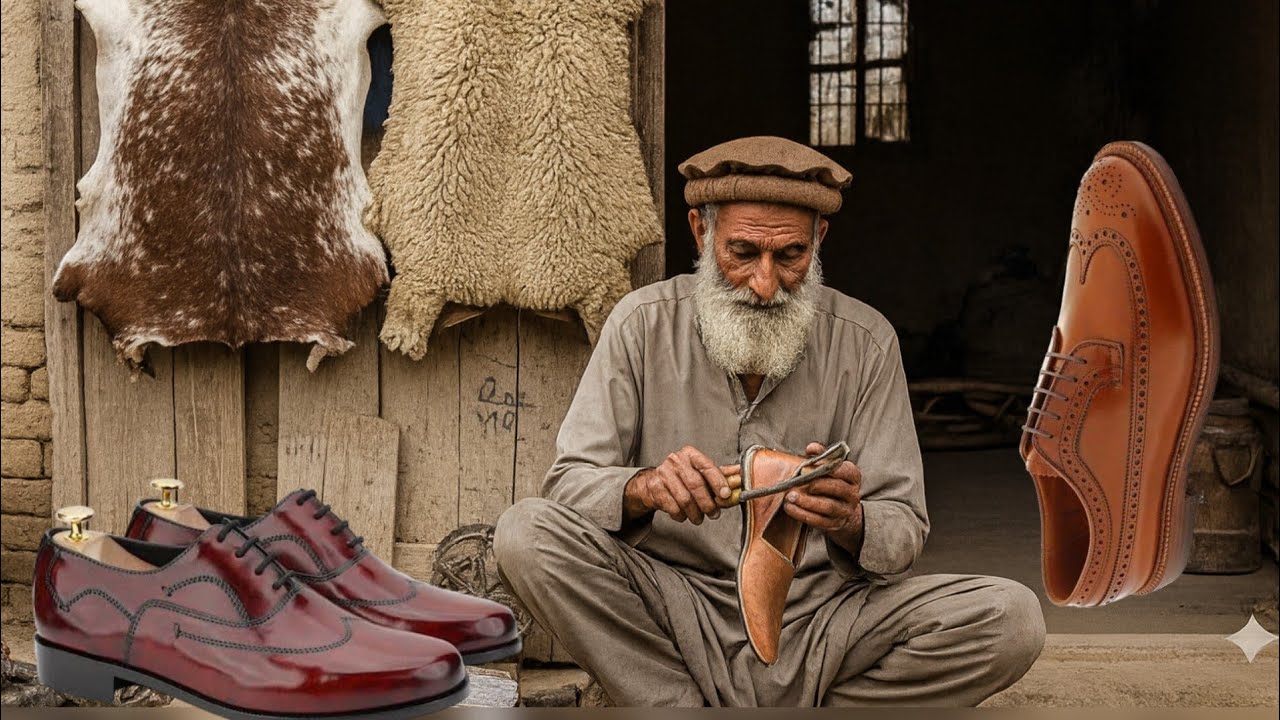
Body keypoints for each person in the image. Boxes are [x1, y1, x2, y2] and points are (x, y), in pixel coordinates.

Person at [493, 136, 1046, 706]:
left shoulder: (866, 341)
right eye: (742, 253)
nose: (765, 284)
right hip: (672, 606)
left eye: (790, 257)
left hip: (821, 615)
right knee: (526, 532)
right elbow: (568, 485)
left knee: (1010, 619)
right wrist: (646, 487)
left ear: (819, 239)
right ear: (701, 233)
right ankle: (675, 705)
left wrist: (849, 520)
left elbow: (903, 530)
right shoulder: (641, 324)